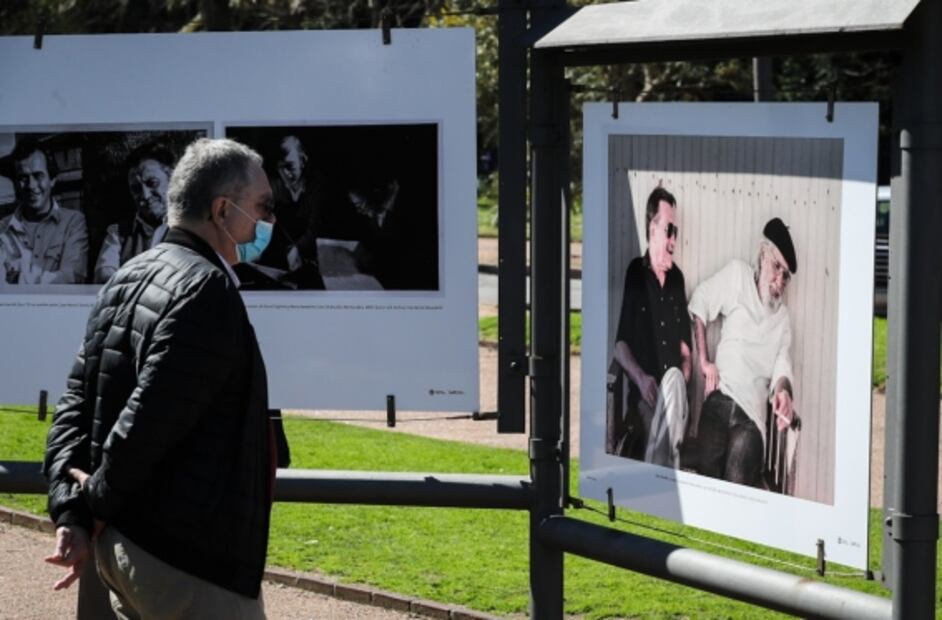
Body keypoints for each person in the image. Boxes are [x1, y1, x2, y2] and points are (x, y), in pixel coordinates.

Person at [43, 138, 279, 618]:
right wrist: (91, 502)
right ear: (222, 209)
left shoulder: (130, 274)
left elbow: (75, 406)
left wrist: (73, 513)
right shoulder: (207, 290)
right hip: (186, 558)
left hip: (127, 553)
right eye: (262, 207)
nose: (269, 222)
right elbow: (146, 423)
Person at [688, 217, 797, 487]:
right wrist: (704, 361)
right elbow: (700, 301)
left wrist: (783, 392)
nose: (779, 280)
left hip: (752, 419)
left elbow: (783, 368)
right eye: (776, 267)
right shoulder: (737, 276)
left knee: (736, 482)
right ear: (763, 254)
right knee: (706, 476)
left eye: (786, 276)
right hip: (720, 399)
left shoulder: (782, 319)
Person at [608, 186, 692, 467]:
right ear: (652, 228)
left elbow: (685, 353)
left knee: (674, 380)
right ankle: (667, 464)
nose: (673, 240)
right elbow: (620, 346)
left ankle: (655, 465)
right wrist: (642, 378)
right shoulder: (636, 273)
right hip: (646, 397)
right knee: (664, 436)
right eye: (668, 230)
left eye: (676, 233)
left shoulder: (678, 280)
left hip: (675, 399)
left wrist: (680, 382)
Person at [0, 139, 88, 284]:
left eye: (38, 176)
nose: (31, 185)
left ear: (52, 179)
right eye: (23, 178)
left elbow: (71, 278)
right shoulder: (3, 229)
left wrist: (17, 278)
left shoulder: (73, 223)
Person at [93, 143, 174, 283]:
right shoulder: (118, 234)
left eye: (152, 183)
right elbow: (103, 277)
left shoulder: (192, 227)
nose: (145, 195)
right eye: (136, 189)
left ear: (171, 179)